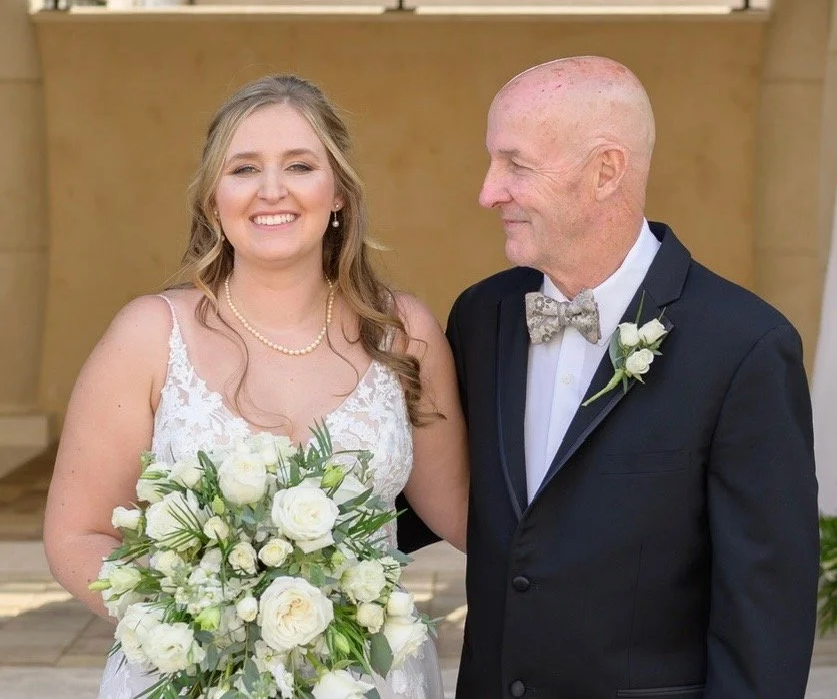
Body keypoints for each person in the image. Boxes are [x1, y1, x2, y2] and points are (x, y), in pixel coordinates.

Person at [43, 74, 467, 699]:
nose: (273, 190)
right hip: (196, 678)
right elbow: (75, 533)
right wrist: (200, 629)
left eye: (300, 165)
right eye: (243, 169)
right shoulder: (149, 336)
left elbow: (470, 515)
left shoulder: (402, 333)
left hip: (370, 679)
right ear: (214, 201)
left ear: (339, 193)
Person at [446, 56, 819, 698]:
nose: (488, 191)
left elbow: (766, 613)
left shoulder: (745, 346)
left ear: (606, 171)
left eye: (516, 164)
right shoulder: (483, 317)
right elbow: (416, 494)